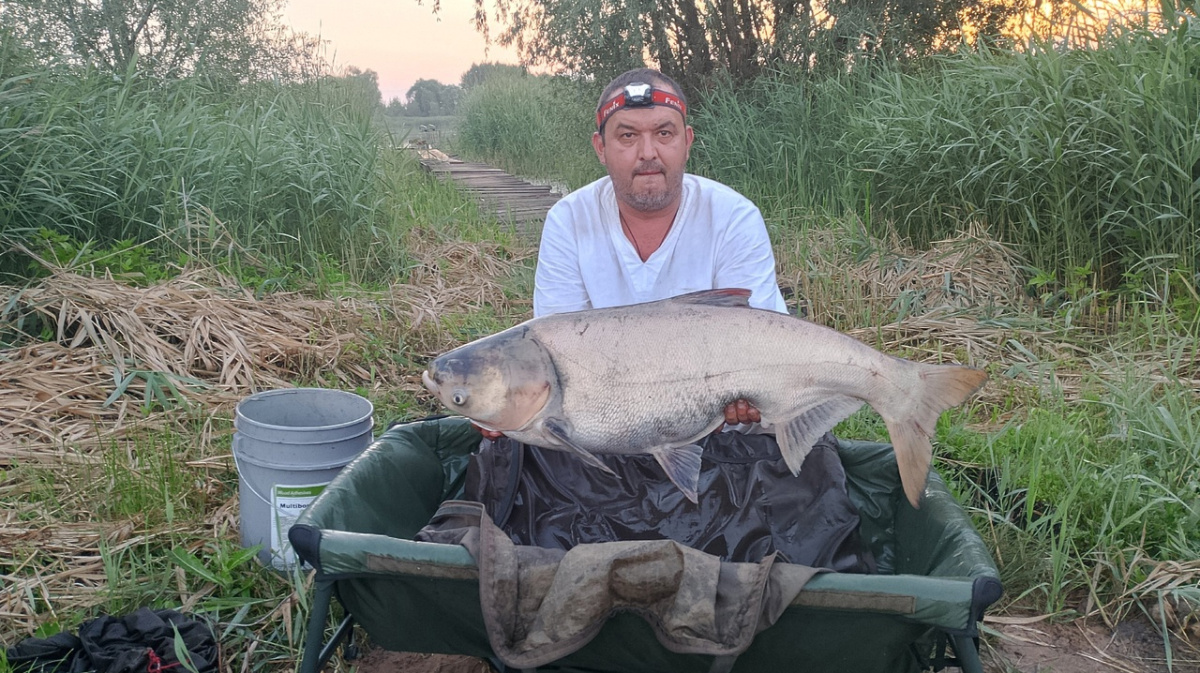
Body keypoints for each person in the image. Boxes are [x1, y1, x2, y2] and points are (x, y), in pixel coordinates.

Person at [477, 67, 784, 438]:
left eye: (664, 133)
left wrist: (747, 393)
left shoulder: (734, 217)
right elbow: (561, 359)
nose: (648, 153)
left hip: (719, 428)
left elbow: (765, 347)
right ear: (600, 148)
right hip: (606, 426)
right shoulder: (568, 221)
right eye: (627, 136)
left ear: (687, 141)